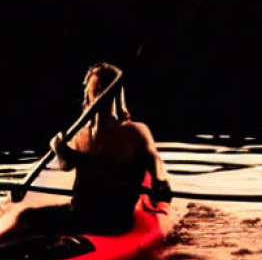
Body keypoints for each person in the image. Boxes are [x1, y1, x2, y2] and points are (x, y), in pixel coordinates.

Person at [11, 62, 172, 237]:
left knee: (35, 223)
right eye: (96, 88)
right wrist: (58, 149)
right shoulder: (80, 135)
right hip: (79, 214)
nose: (99, 92)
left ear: (115, 95)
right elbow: (66, 165)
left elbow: (153, 159)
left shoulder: (134, 132)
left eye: (104, 87)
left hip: (114, 221)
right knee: (26, 218)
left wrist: (159, 182)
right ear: (87, 91)